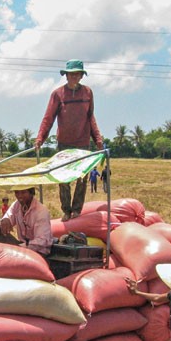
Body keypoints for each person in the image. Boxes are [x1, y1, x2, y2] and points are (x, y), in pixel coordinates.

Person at [34, 59, 104, 221]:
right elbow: (48, 118)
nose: (74, 77)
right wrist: (40, 138)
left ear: (81, 76)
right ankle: (66, 210)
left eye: (77, 74)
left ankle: (77, 210)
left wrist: (98, 139)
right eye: (71, 74)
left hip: (83, 143)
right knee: (63, 178)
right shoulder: (58, 94)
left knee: (82, 178)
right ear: (66, 76)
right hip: (64, 143)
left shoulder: (87, 93)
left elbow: (90, 117)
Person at [0, 185, 54, 256]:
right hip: (22, 246)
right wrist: (5, 219)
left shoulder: (41, 211)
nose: (20, 196)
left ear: (31, 193)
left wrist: (19, 248)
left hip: (38, 252)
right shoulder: (17, 204)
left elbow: (42, 241)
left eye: (23, 192)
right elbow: (9, 216)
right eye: (17, 192)